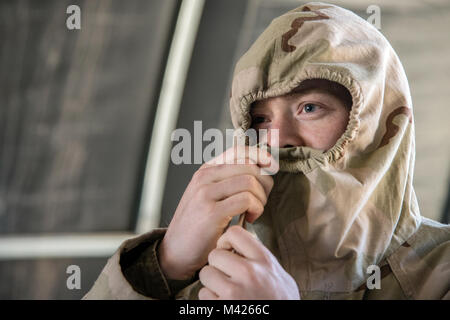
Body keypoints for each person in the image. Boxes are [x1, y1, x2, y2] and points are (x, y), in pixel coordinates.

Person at [84, 3, 450, 300]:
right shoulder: (214, 279)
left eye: (309, 108)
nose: (275, 140)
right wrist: (162, 268)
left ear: (376, 115)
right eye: (259, 118)